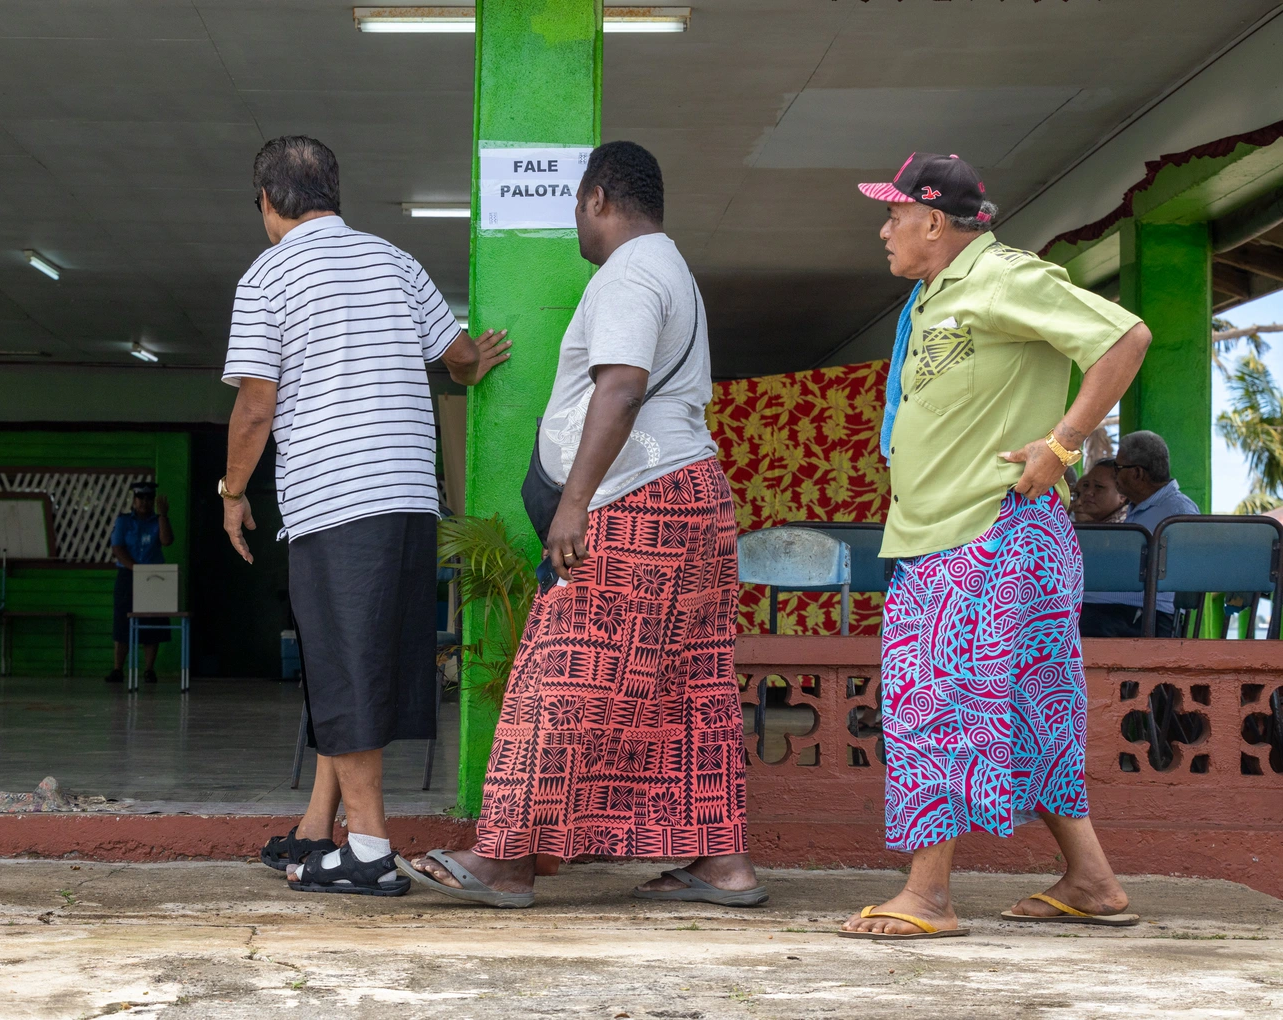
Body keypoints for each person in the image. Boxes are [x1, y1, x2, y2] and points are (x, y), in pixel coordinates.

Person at [403, 141, 765, 909]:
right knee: (689, 682)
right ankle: (721, 861)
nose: (575, 216)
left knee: (556, 674)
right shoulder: (672, 268)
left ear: (599, 196)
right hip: (691, 502)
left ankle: (504, 860)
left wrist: (573, 502)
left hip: (640, 504)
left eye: (576, 201)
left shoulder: (631, 271)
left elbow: (623, 386)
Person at [842, 153, 1153, 939]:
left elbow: (1126, 337)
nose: (884, 231)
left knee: (930, 706)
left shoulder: (1004, 278)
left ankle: (929, 895)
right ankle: (1091, 881)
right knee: (1031, 713)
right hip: (986, 536)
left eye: (893, 216)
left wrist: (1064, 442)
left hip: (981, 536)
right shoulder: (937, 295)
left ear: (933, 221)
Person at [221, 136, 510, 896]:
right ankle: (324, 829)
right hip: (410, 500)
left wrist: (231, 493)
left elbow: (256, 405)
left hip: (335, 500)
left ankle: (373, 852)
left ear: (268, 203)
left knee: (346, 669)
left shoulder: (268, 276)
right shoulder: (394, 261)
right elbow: (459, 359)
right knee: (349, 665)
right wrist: (481, 356)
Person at [1081, 431, 1197, 637]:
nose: (1114, 474)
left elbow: (1182, 578)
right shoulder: (1141, 508)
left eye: (1117, 468)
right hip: (1112, 611)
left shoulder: (1177, 511)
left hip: (1142, 617)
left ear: (1137, 473)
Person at [105, 482, 173, 684]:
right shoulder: (124, 521)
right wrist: (136, 569)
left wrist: (163, 515)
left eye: (148, 499)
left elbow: (167, 540)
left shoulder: (157, 520)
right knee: (123, 622)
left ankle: (149, 670)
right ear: (134, 500)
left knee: (153, 623)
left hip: (154, 577)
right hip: (128, 574)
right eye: (140, 498)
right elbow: (118, 548)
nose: (144, 502)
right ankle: (118, 669)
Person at [1070, 458, 1127, 524]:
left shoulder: (1125, 528)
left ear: (1122, 495)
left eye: (1099, 486)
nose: (1088, 492)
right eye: (1086, 485)